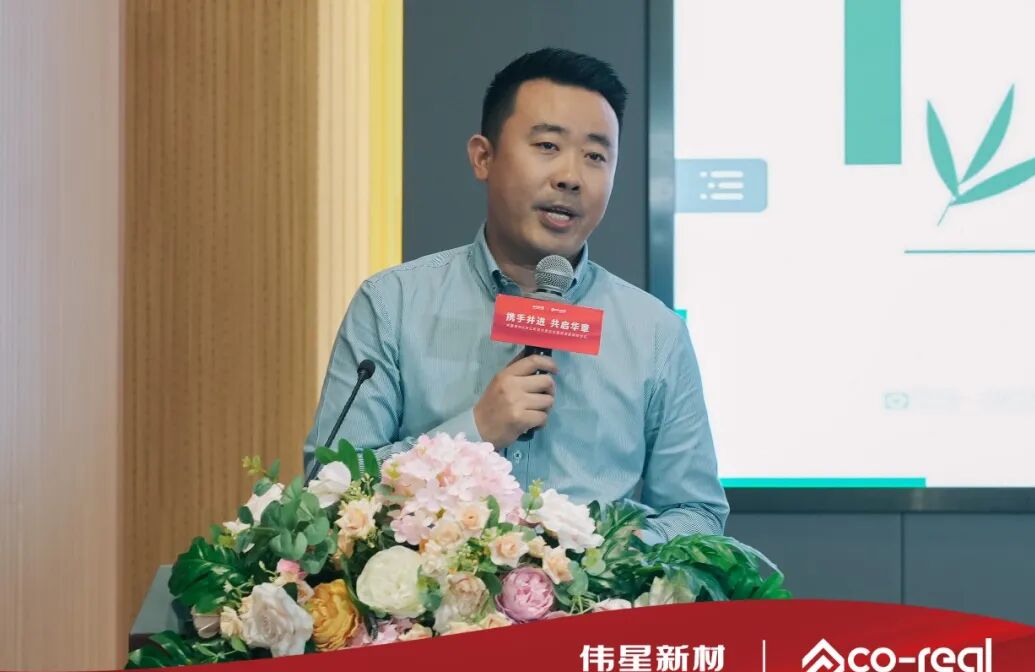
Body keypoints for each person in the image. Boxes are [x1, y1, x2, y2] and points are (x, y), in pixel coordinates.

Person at [304, 48, 728, 543]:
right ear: (483, 157)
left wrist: (598, 561)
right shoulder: (392, 305)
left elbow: (696, 513)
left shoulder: (654, 333)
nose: (570, 176)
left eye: (595, 156)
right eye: (548, 145)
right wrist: (473, 431)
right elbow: (325, 490)